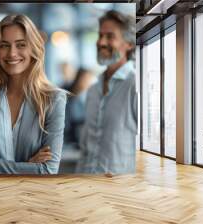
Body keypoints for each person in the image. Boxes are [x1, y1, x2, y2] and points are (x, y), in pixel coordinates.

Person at [0, 14, 67, 174]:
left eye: (21, 45)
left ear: (34, 48)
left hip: (33, 196)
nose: (12, 53)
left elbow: (49, 170)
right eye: (4, 45)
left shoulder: (53, 99)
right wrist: (28, 165)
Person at [76, 10, 137, 175]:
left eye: (110, 36)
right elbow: (85, 149)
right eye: (100, 35)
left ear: (129, 44)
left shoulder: (135, 86)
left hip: (121, 193)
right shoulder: (93, 90)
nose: (101, 42)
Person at [64, 68, 94, 146]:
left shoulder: (84, 97)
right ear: (79, 78)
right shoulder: (67, 95)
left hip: (77, 137)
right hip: (67, 138)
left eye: (89, 80)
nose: (88, 83)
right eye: (86, 79)